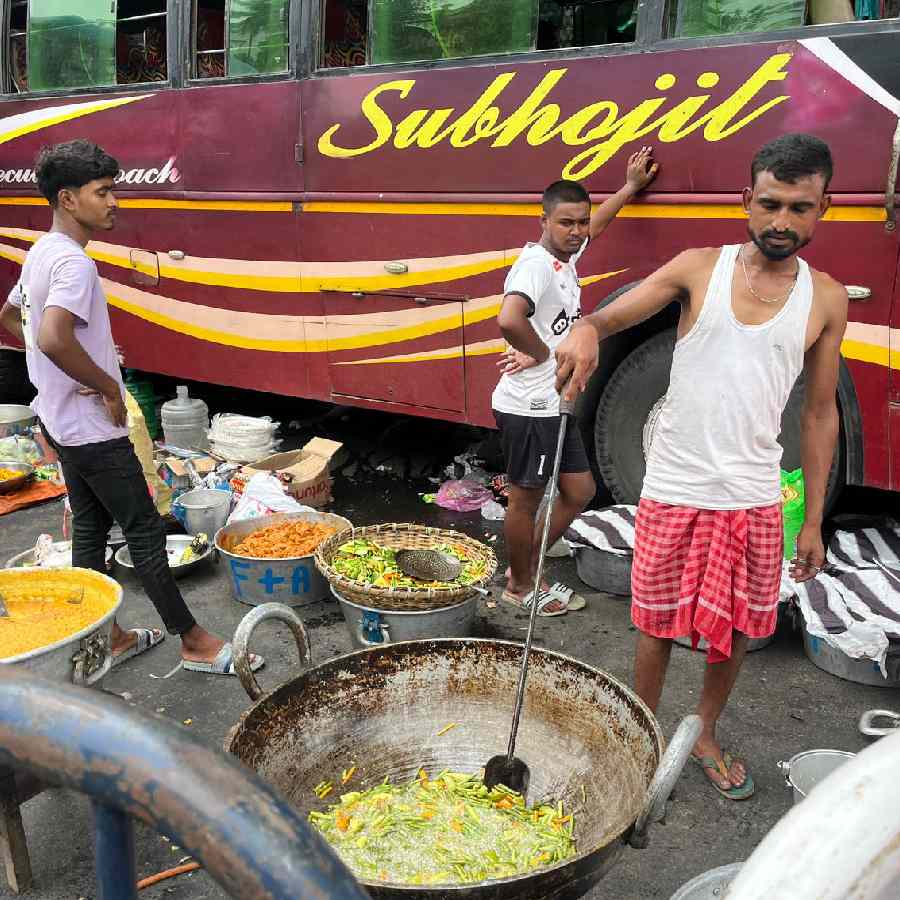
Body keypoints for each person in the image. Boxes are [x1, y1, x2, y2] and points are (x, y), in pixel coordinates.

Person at [555, 133, 847, 798]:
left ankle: (704, 731)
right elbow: (619, 311)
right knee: (654, 623)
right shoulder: (698, 268)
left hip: (752, 494)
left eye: (800, 208)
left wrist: (813, 526)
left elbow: (819, 414)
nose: (782, 222)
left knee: (737, 630)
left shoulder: (827, 299)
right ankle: (643, 731)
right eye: (770, 203)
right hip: (674, 488)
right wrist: (587, 328)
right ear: (746, 200)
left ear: (822, 209)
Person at [0, 140, 262, 677]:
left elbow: (13, 320)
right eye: (104, 192)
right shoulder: (73, 264)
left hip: (61, 421)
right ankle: (194, 642)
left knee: (92, 528)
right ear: (68, 199)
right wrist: (106, 386)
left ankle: (105, 635)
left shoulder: (42, 251)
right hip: (92, 429)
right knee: (144, 529)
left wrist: (70, 375)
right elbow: (51, 337)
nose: (114, 201)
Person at [493, 148, 659, 616]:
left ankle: (524, 567)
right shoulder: (536, 266)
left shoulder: (564, 257)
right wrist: (542, 354)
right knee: (525, 499)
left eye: (581, 222)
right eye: (566, 223)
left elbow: (598, 226)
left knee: (580, 491)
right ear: (543, 220)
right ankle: (521, 587)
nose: (577, 232)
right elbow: (509, 317)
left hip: (554, 402)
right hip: (529, 407)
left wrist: (628, 187)